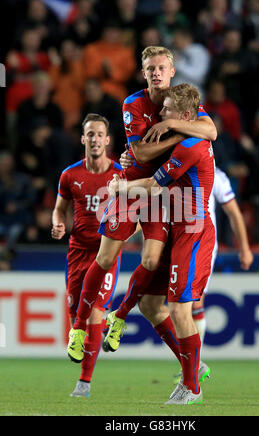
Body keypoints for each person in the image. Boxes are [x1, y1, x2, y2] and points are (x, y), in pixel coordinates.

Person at [67, 46, 217, 379]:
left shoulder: (181, 101)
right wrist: (175, 132)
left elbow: (211, 131)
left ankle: (118, 317)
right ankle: (79, 325)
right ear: (143, 72)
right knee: (105, 258)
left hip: (160, 194)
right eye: (150, 69)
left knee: (150, 262)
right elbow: (139, 149)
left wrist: (173, 126)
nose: (156, 73)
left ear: (173, 71)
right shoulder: (133, 103)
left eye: (161, 67)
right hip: (134, 184)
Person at [108, 83, 215, 405]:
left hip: (192, 233)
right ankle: (192, 368)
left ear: (183, 115)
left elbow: (154, 187)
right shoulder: (187, 137)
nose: (160, 113)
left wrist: (118, 188)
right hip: (176, 227)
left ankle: (191, 386)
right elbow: (143, 156)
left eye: (166, 110)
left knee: (180, 308)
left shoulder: (191, 146)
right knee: (152, 305)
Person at [52, 114, 123, 398]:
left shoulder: (121, 175)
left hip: (106, 253)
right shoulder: (70, 175)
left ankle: (84, 383)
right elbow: (60, 208)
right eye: (90, 134)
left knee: (94, 310)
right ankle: (99, 333)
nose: (95, 139)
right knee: (75, 317)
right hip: (77, 251)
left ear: (108, 140)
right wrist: (58, 222)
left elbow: (137, 212)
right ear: (83, 139)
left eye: (100, 134)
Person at [190, 167, 254, 380]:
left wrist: (244, 248)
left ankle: (193, 364)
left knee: (194, 302)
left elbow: (234, 213)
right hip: (177, 242)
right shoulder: (175, 167)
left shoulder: (216, 175)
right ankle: (190, 363)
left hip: (203, 245)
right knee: (173, 305)